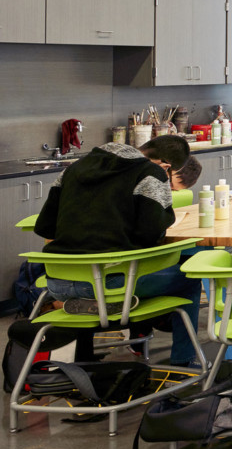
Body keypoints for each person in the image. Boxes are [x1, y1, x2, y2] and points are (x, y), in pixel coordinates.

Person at [33, 134, 203, 367]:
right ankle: (183, 362)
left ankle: (101, 314)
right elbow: (150, 235)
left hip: (58, 282)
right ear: (166, 166)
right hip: (109, 283)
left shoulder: (74, 168)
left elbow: (44, 226)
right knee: (188, 278)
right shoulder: (150, 174)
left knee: (120, 274)